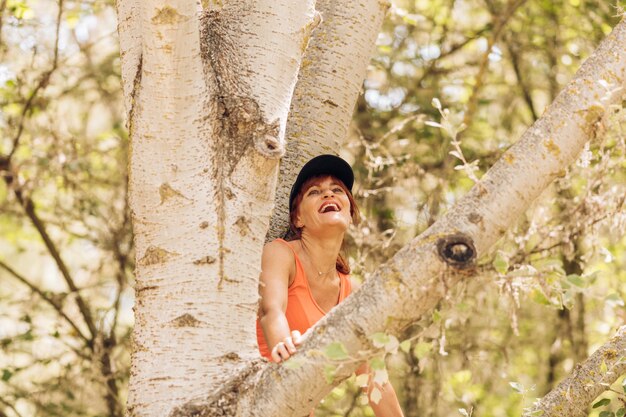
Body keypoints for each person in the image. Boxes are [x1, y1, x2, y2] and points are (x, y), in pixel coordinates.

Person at [256, 154, 404, 417]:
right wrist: (283, 352)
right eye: (314, 192)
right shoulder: (281, 254)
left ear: (349, 213)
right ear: (298, 219)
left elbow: (372, 377)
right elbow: (272, 312)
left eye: (337, 190)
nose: (328, 194)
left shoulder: (351, 292)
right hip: (259, 397)